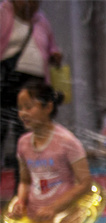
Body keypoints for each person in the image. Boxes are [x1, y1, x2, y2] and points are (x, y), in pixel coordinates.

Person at [10, 80, 91, 223]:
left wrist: (55, 207)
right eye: (20, 108)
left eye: (29, 106)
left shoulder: (67, 142)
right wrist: (20, 200)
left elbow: (84, 182)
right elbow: (26, 180)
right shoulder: (23, 143)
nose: (23, 113)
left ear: (47, 107)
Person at [1, 0, 62, 168]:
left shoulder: (40, 19)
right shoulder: (4, 13)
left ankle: (24, 185)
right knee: (3, 128)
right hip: (8, 81)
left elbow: (52, 46)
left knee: (26, 135)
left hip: (34, 82)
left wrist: (54, 54)